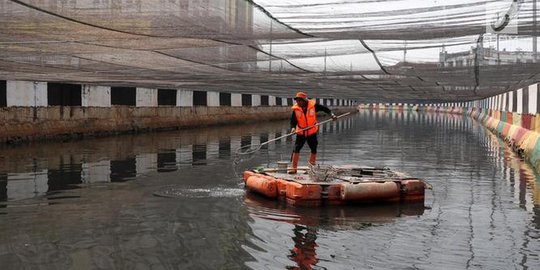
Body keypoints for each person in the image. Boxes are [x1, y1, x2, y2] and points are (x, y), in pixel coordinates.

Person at [289, 92, 336, 174]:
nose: (298, 102)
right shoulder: (296, 109)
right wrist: (293, 129)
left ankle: (311, 168)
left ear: (304, 100)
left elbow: (325, 109)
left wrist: (332, 115)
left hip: (311, 132)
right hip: (301, 132)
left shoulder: (313, 106)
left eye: (300, 100)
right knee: (296, 149)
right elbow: (293, 122)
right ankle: (293, 168)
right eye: (297, 101)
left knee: (313, 148)